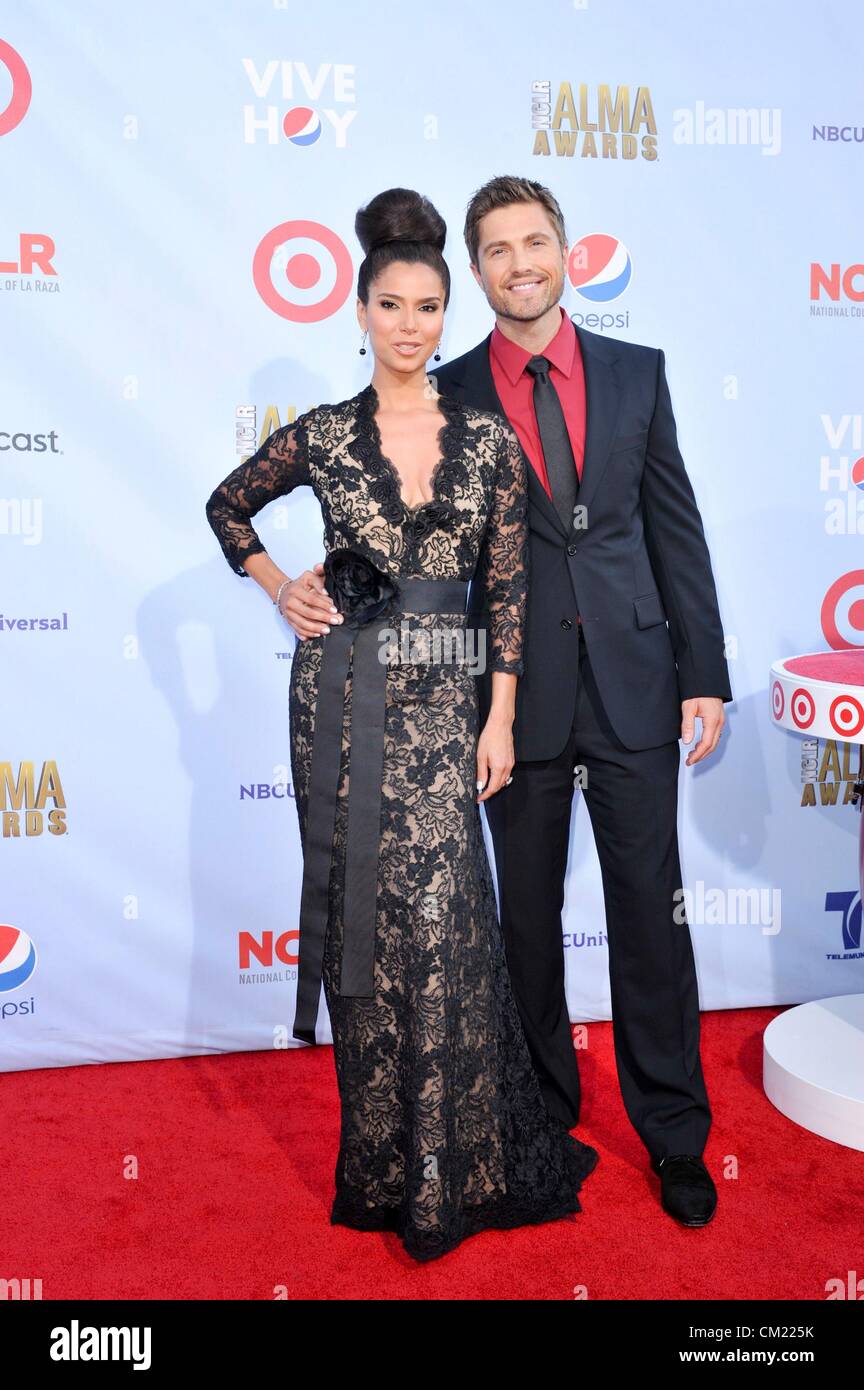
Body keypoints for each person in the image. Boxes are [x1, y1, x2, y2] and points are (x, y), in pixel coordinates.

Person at [205, 187, 598, 1263]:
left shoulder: (486, 443)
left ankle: (457, 1165)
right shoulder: (326, 438)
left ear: (445, 311)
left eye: (430, 305)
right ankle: (382, 1165)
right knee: (368, 932)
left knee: (448, 925)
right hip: (339, 706)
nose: (413, 324)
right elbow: (226, 506)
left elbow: (507, 594)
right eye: (393, 304)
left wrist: (501, 716)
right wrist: (280, 582)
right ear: (363, 311)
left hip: (447, 702)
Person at [431, 175, 733, 1228]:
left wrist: (704, 671)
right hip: (512, 699)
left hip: (640, 679)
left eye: (537, 241)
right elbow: (439, 558)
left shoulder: (637, 373)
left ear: (567, 252)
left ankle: (676, 1136)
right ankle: (543, 1122)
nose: (521, 263)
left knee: (652, 916)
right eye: (499, 250)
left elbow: (674, 530)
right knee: (527, 923)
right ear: (476, 271)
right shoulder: (452, 391)